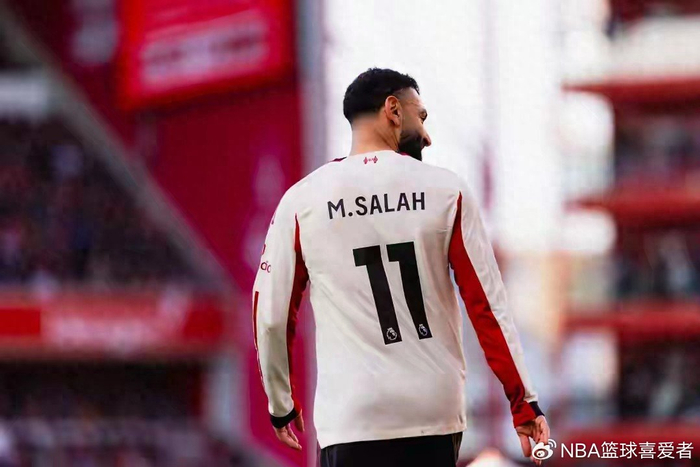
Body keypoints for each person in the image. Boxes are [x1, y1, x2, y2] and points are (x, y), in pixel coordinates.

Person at [252, 68, 550, 467]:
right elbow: (488, 306)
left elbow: (270, 316)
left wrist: (280, 403)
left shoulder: (302, 201)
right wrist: (523, 402)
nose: (427, 135)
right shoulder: (447, 191)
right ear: (393, 109)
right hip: (432, 412)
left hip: (352, 417)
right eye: (420, 116)